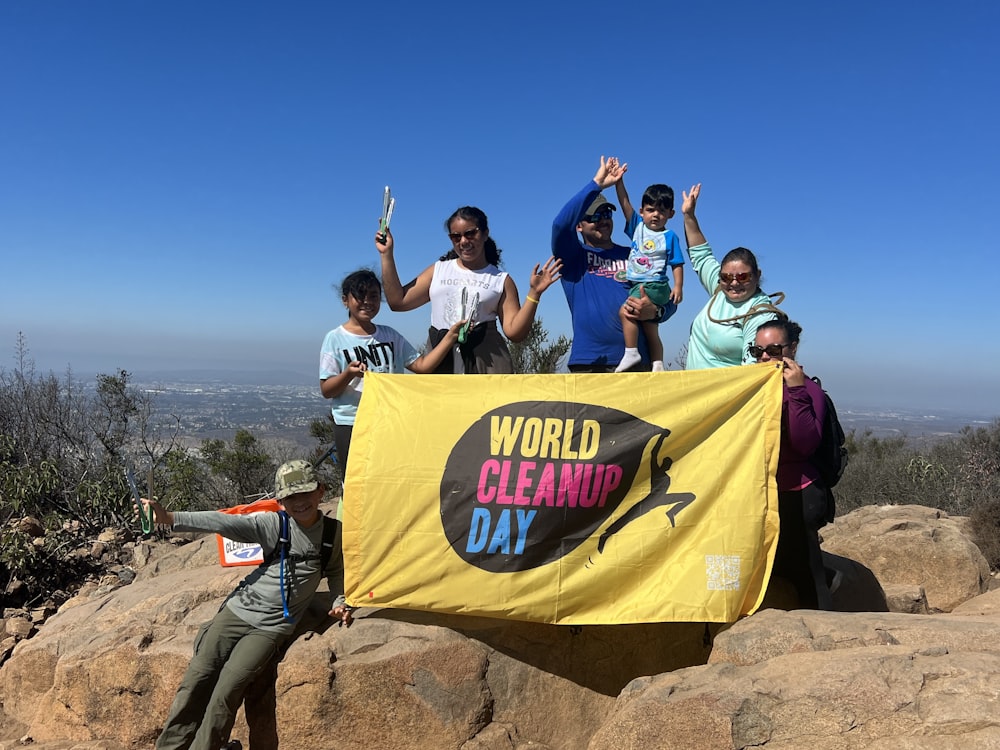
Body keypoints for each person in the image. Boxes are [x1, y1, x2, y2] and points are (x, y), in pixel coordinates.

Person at [139, 460, 353, 750]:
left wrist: (341, 600)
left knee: (227, 690)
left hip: (271, 627)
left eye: (305, 493)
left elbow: (337, 570)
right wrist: (169, 517)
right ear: (280, 501)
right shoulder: (274, 524)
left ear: (320, 491)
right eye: (291, 497)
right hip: (237, 610)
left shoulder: (332, 533)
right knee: (196, 679)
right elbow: (224, 522)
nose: (299, 502)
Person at [375, 207, 561, 374]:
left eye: (470, 234)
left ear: (485, 233)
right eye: (456, 236)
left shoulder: (501, 280)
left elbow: (514, 333)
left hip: (487, 365)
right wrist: (386, 254)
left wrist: (534, 294)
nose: (463, 241)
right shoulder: (438, 270)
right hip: (440, 359)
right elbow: (398, 302)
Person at [320, 268, 464, 471]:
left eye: (374, 296)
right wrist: (348, 374)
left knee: (387, 476)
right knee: (354, 481)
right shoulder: (334, 339)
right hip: (352, 422)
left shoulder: (390, 335)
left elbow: (422, 366)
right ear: (346, 300)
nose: (367, 302)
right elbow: (327, 390)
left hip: (390, 420)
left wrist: (450, 338)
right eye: (360, 295)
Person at [551, 156, 662, 372]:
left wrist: (657, 311)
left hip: (638, 363)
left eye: (606, 213)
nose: (602, 219)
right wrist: (597, 184)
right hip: (590, 363)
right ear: (579, 226)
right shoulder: (573, 256)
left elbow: (664, 292)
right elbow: (560, 225)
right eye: (594, 216)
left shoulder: (633, 254)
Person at [752, 318, 832, 610]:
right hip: (766, 491)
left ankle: (823, 631)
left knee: (805, 574)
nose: (764, 356)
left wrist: (797, 392)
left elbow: (803, 444)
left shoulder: (809, 391)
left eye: (773, 349)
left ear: (792, 349)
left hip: (798, 493)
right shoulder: (756, 386)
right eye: (757, 350)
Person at [680, 183, 779, 369]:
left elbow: (753, 368)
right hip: (693, 391)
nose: (733, 283)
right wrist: (689, 216)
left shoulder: (760, 314)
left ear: (757, 276)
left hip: (725, 395)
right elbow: (701, 255)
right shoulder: (719, 290)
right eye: (726, 277)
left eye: (742, 277)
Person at [613, 173, 684, 372]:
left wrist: (678, 286)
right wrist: (619, 182)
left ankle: (631, 352)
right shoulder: (637, 227)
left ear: (671, 214)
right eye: (650, 210)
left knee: (625, 312)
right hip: (644, 285)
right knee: (650, 327)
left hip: (654, 284)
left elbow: (677, 263)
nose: (655, 215)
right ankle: (658, 364)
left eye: (661, 211)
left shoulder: (669, 236)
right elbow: (624, 202)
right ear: (642, 211)